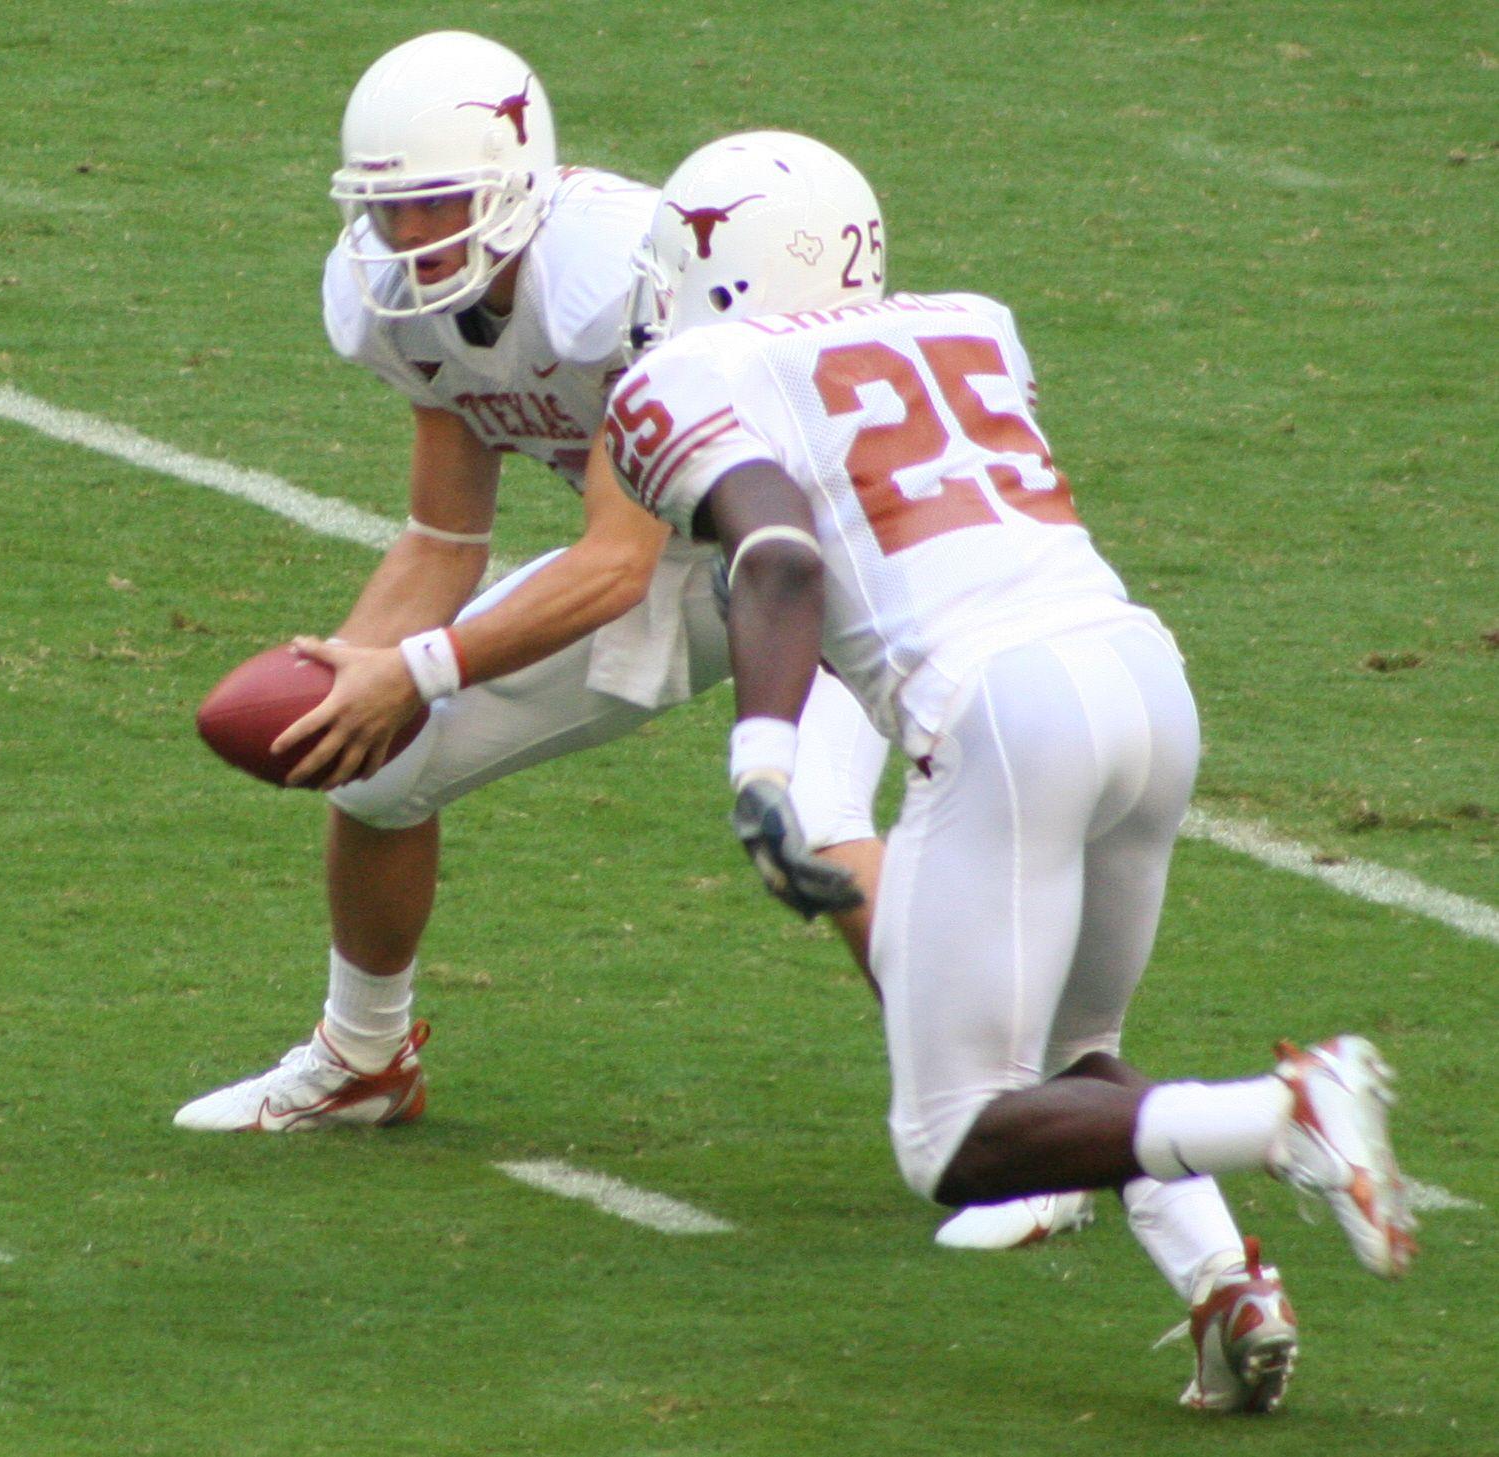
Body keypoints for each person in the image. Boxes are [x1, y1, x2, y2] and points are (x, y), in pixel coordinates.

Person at [600, 129, 1417, 1411]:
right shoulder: (969, 321)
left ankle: (1284, 1112)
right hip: (1139, 672)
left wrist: (761, 764)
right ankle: (1226, 1285)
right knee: (1076, 1055)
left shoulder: (694, 369)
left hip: (999, 710)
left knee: (954, 1138)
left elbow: (782, 560)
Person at [171, 32, 889, 1134]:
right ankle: (363, 1059)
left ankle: (1030, 1119)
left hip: (846, 548)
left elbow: (613, 564)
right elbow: (440, 539)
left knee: (825, 821)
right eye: (389, 209)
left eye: (436, 202)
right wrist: (350, 678)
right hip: (699, 544)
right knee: (380, 771)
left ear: (514, 183)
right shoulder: (404, 301)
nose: (410, 235)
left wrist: (414, 670)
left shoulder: (613, 277)